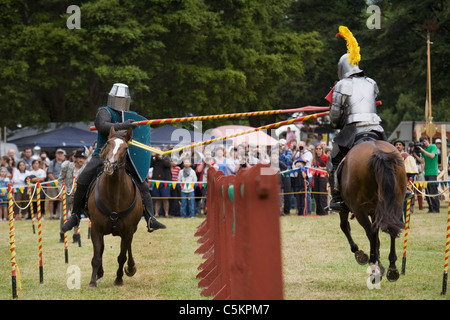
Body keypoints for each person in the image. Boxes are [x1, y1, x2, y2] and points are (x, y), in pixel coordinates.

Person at [62, 83, 166, 233]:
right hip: (103, 154)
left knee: (142, 184)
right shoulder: (105, 111)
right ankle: (75, 216)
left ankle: (150, 218)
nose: (121, 100)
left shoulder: (129, 116)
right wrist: (123, 125)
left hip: (123, 155)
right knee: (83, 178)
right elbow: (102, 126)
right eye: (119, 97)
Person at [326, 26, 386, 211]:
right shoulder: (371, 82)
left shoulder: (342, 85)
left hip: (353, 129)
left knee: (333, 159)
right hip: (376, 127)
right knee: (392, 155)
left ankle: (336, 197)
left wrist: (340, 117)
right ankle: (404, 186)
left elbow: (334, 120)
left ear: (341, 68)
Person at [58, 148, 87, 242]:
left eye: (83, 158)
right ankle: (62, 234)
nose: (81, 160)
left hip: (78, 195)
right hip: (66, 193)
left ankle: (76, 235)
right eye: (80, 158)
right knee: (63, 216)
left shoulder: (86, 169)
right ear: (75, 158)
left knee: (76, 215)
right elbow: (60, 179)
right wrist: (61, 191)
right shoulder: (67, 166)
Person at [413, 136, 440, 213]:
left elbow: (432, 156)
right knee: (428, 192)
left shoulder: (433, 146)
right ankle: (431, 208)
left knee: (433, 191)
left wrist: (423, 151)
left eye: (424, 141)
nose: (423, 143)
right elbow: (422, 161)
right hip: (426, 173)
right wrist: (415, 155)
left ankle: (436, 209)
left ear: (427, 140)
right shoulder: (424, 149)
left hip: (433, 173)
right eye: (422, 142)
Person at [150, 149, 172, 218]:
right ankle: (156, 214)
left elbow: (167, 165)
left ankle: (166, 214)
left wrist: (160, 157)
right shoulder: (155, 159)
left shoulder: (166, 157)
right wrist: (152, 156)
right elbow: (150, 165)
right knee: (157, 199)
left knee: (165, 198)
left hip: (165, 182)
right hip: (156, 182)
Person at [47, 148, 66, 220]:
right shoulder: (52, 162)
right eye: (58, 153)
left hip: (62, 182)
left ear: (63, 155)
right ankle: (51, 215)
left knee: (60, 199)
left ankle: (59, 215)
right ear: (56, 155)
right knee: (51, 199)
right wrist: (55, 180)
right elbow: (49, 173)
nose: (60, 155)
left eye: (61, 153)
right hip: (52, 182)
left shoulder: (65, 163)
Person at [312, 144, 328, 215]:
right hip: (316, 176)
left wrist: (322, 168)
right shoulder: (314, 158)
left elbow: (329, 167)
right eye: (317, 149)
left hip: (323, 177)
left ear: (322, 150)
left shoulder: (325, 157)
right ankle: (318, 212)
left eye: (320, 149)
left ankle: (324, 212)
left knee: (322, 195)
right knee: (316, 195)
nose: (318, 150)